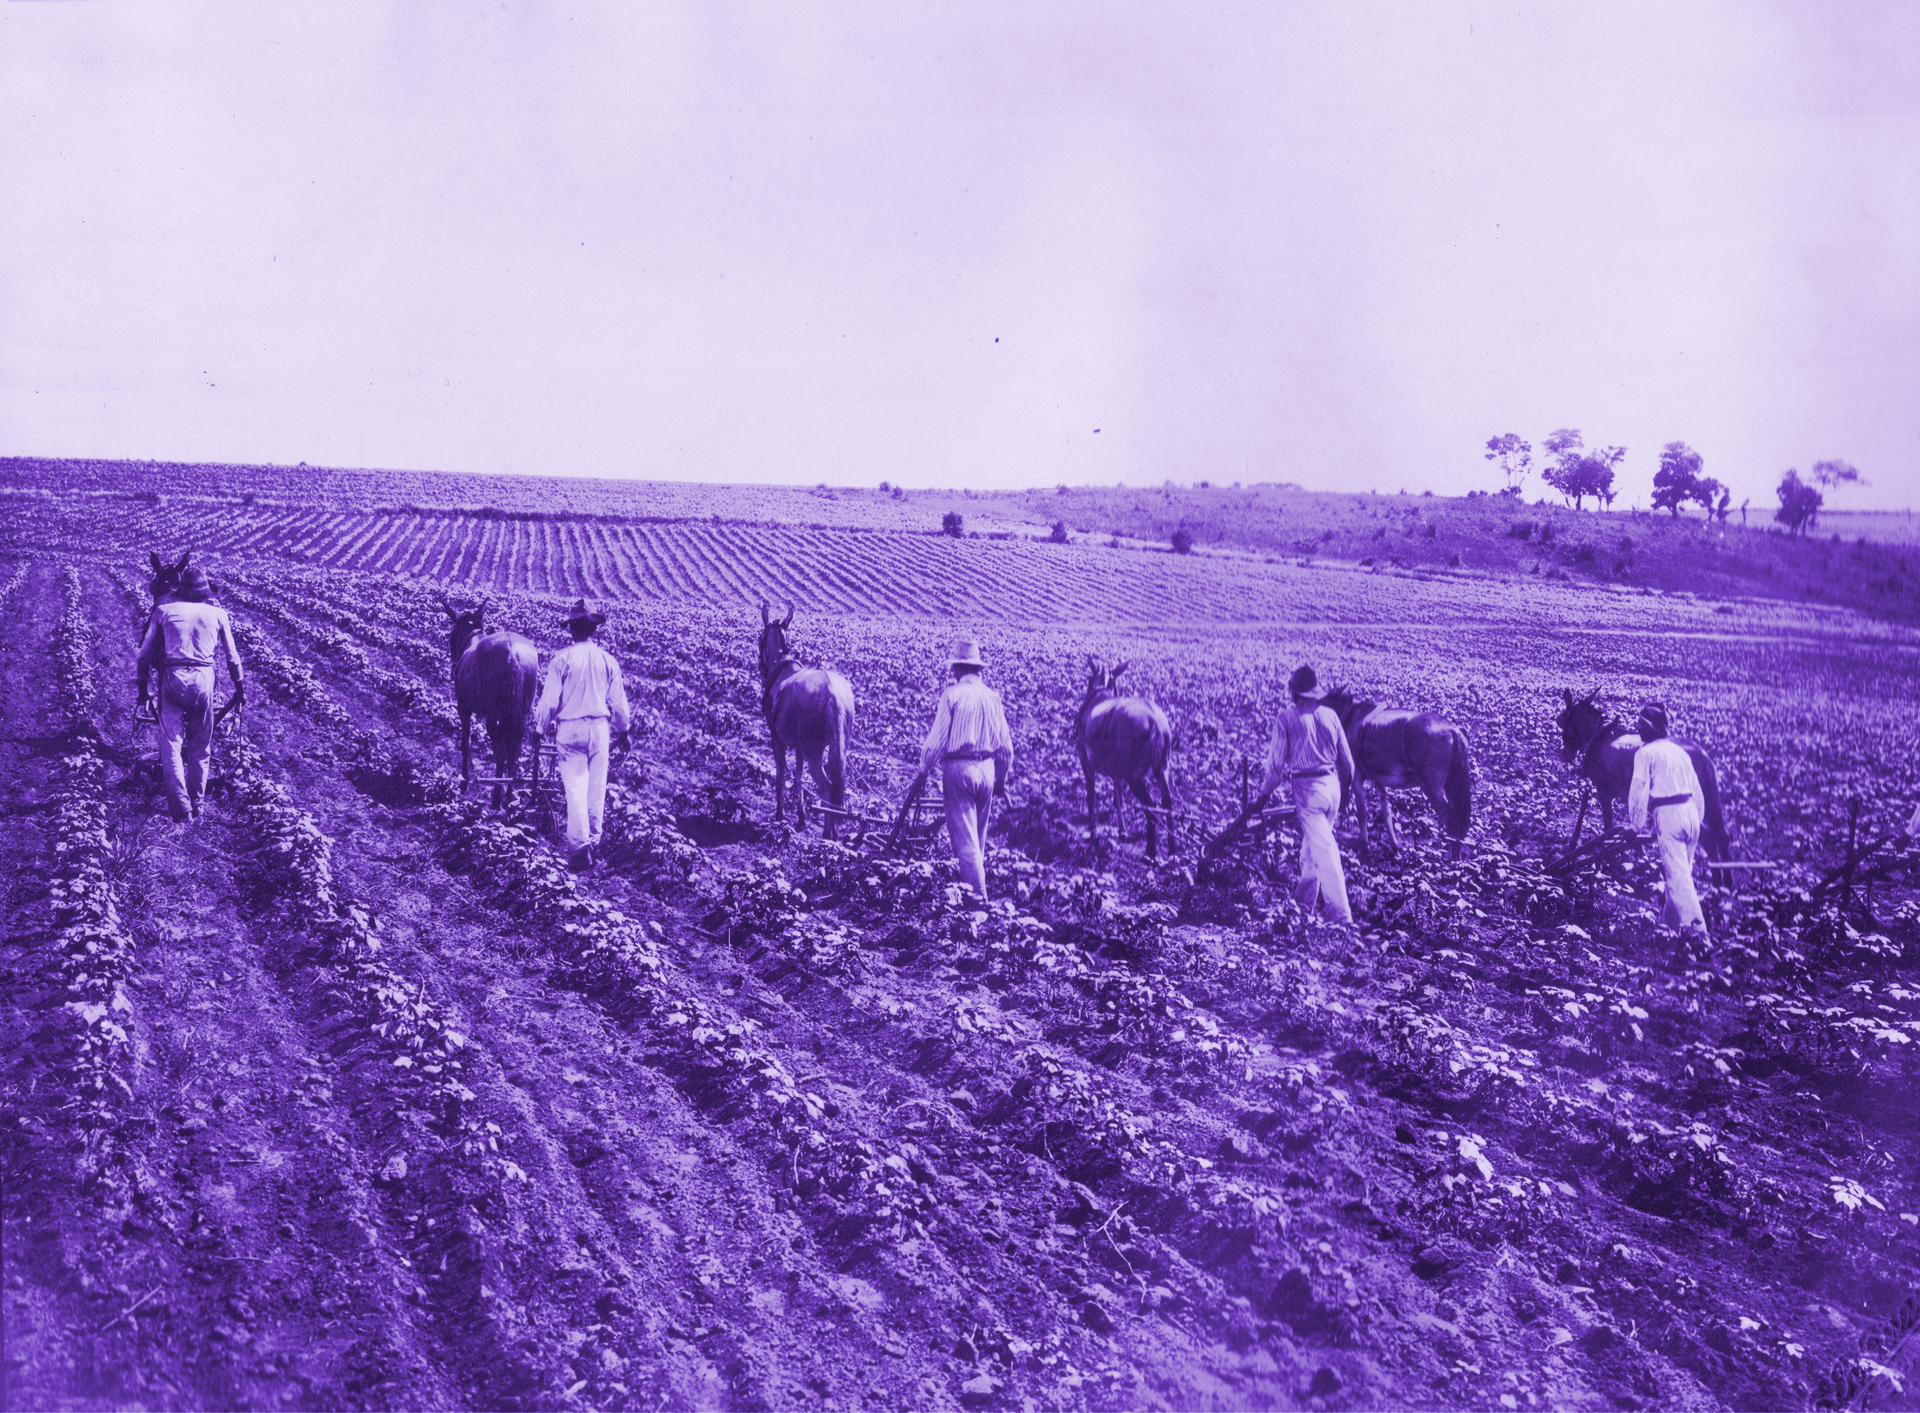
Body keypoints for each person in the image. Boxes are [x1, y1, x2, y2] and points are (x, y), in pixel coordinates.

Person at [136, 566, 243, 823]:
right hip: (204, 678)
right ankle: (199, 806)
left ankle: (181, 811)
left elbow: (143, 656)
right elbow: (232, 657)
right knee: (200, 747)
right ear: (205, 592)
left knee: (171, 745)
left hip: (172, 676)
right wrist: (239, 688)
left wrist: (143, 690)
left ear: (180, 589)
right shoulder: (218, 613)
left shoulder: (163, 611)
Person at [1253, 664, 1357, 923]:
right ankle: (1302, 905)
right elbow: (1348, 763)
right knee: (1310, 850)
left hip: (1308, 791)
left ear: (1294, 692)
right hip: (1332, 786)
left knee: (1325, 850)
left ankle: (1341, 917)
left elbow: (1276, 767)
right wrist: (1344, 793)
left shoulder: (1286, 718)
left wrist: (1262, 797)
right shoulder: (1331, 716)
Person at [533, 599, 631, 871]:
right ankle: (594, 842)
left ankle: (580, 849)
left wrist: (539, 728)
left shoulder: (561, 660)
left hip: (570, 728)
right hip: (600, 728)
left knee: (575, 786)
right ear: (593, 630)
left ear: (571, 630)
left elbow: (550, 702)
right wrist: (624, 731)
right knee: (596, 788)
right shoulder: (607, 660)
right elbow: (619, 703)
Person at [918, 641, 1013, 902]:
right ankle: (972, 891)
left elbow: (936, 741)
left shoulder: (953, 695)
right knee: (977, 838)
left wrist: (923, 769)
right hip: (988, 769)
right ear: (978, 669)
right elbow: (1005, 746)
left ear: (957, 669)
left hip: (959, 769)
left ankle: (978, 902)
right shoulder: (993, 697)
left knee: (966, 841)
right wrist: (1001, 780)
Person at [1627, 702, 1707, 933]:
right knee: (1680, 873)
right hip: (1691, 812)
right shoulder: (1679, 751)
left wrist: (1635, 826)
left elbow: (1638, 793)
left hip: (1669, 814)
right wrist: (1696, 820)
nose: (1638, 728)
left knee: (1679, 879)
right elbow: (1697, 791)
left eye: (1641, 725)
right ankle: (1669, 926)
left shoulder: (1645, 753)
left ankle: (1700, 936)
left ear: (1651, 728)